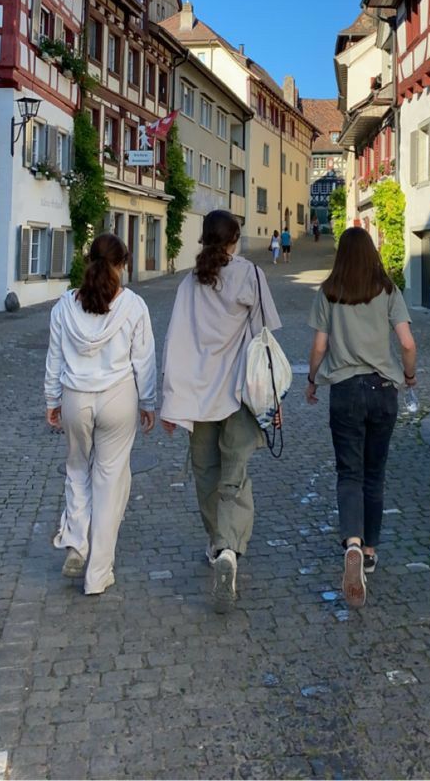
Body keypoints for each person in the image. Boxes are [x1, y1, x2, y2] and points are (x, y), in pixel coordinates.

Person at [160, 210, 281, 612]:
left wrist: (170, 402)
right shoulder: (251, 275)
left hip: (198, 397)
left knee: (205, 474)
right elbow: (264, 339)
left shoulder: (190, 282)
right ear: (235, 240)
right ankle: (229, 549)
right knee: (235, 475)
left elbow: (175, 341)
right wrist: (272, 400)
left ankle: (217, 544)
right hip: (240, 393)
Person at [306, 227, 416, 608]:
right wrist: (410, 375)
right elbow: (406, 342)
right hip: (383, 390)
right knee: (375, 474)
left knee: (348, 473)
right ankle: (369, 550)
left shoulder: (329, 292)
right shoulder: (387, 290)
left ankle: (350, 541)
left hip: (345, 391)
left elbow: (319, 346)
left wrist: (311, 380)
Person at [44, 233, 156, 595]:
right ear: (122, 265)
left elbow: (55, 359)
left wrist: (52, 400)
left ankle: (77, 540)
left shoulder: (64, 307)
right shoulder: (134, 306)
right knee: (110, 481)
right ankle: (98, 573)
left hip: (77, 397)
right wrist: (148, 403)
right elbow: (145, 360)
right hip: (118, 397)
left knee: (77, 469)